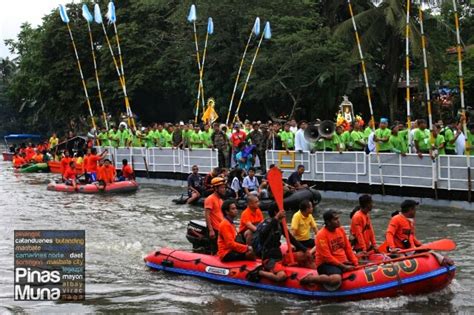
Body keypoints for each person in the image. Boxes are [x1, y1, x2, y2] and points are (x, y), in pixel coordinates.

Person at [248, 208, 312, 283]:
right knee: (281, 277)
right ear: (276, 213)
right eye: (282, 211)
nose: (284, 213)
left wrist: (305, 250)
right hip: (269, 259)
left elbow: (291, 239)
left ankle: (314, 275)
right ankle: (260, 272)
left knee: (304, 255)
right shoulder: (267, 224)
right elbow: (262, 234)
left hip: (280, 257)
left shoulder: (281, 224)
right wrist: (276, 218)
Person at [312, 210, 358, 288]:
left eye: (338, 218)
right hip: (325, 264)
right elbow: (327, 257)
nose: (338, 221)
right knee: (336, 279)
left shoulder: (341, 230)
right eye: (335, 219)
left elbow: (348, 248)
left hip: (342, 261)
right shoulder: (321, 235)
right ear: (328, 222)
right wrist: (343, 267)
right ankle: (310, 279)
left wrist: (355, 262)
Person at [204, 177, 227, 254]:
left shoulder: (220, 200)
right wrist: (211, 230)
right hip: (214, 229)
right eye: (222, 188)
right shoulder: (210, 199)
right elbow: (207, 215)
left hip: (220, 229)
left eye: (224, 187)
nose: (224, 189)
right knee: (214, 251)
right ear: (216, 189)